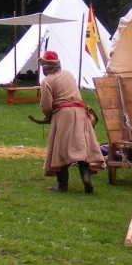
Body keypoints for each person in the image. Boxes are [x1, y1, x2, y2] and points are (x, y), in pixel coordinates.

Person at [38, 50, 105, 193]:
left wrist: (49, 115)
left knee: (61, 149)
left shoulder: (47, 81)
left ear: (46, 68)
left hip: (64, 115)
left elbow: (46, 105)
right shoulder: (68, 74)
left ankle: (62, 185)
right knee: (81, 147)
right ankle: (85, 177)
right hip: (81, 113)